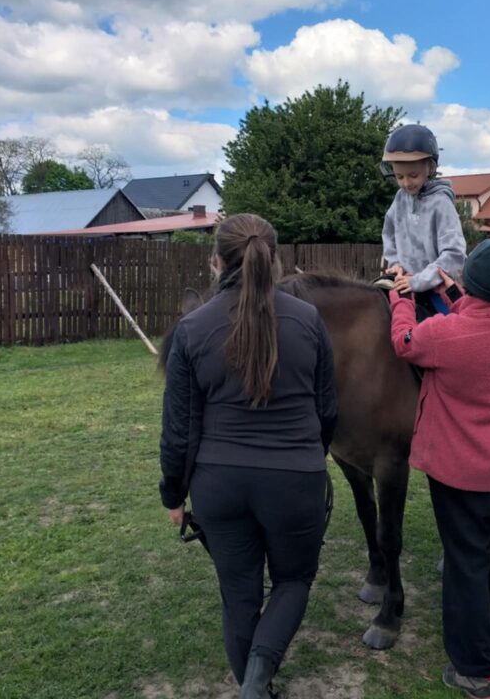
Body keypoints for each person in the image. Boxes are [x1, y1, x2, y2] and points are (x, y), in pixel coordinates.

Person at [159, 213, 338, 699]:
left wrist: (173, 494)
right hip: (295, 479)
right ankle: (258, 679)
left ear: (216, 261)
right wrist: (309, 462)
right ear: (274, 259)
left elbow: (178, 429)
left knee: (238, 598)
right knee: (294, 581)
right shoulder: (308, 321)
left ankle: (254, 687)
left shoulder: (192, 329)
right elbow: (327, 410)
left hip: (219, 485)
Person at [388, 238, 490, 698]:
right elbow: (479, 321)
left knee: (467, 568)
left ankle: (474, 672)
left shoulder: (441, 335)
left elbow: (404, 342)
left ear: (470, 279)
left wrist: (400, 299)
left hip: (461, 477)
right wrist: (455, 293)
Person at [380, 123, 467, 318]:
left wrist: (418, 281)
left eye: (413, 175)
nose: (406, 183)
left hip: (438, 285)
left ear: (430, 168)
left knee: (452, 329)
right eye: (399, 176)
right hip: (403, 279)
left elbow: (454, 254)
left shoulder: (441, 203)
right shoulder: (400, 198)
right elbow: (389, 232)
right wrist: (395, 263)